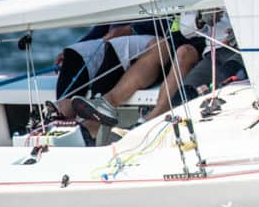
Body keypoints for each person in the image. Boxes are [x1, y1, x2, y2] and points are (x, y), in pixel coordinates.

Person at [72, 10, 227, 135]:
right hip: (174, 42)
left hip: (200, 50)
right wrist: (199, 19)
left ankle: (151, 119)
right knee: (161, 46)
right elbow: (183, 26)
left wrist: (132, 29)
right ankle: (106, 104)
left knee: (183, 52)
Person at [53, 19, 167, 121]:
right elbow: (104, 25)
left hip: (151, 37)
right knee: (73, 53)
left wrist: (131, 29)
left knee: (116, 47)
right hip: (116, 37)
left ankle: (90, 129)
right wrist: (79, 44)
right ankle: (62, 121)